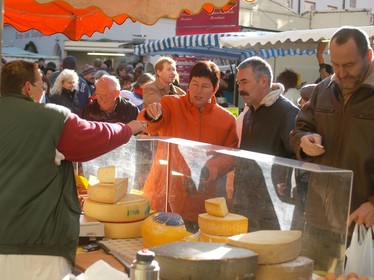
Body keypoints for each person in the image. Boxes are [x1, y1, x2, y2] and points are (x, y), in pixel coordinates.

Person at [0, 60, 147, 280]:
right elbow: (94, 135)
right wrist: (127, 129)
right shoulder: (51, 117)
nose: (44, 91)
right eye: (42, 85)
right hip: (37, 251)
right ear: (27, 88)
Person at [290, 26, 374, 271]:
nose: (340, 73)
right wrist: (304, 141)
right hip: (318, 218)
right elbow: (299, 129)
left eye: (348, 65)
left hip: (362, 223)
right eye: (335, 64)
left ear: (368, 56)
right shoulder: (322, 90)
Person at [137, 60, 238, 231]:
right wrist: (152, 113)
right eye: (194, 84)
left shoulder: (227, 120)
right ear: (188, 84)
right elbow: (147, 124)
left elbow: (231, 155)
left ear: (214, 89)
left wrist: (208, 170)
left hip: (199, 198)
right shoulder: (170, 104)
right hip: (163, 192)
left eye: (205, 86)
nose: (198, 90)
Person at [232, 56, 299, 232]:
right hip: (247, 205)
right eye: (239, 83)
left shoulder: (288, 113)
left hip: (272, 211)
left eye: (244, 82)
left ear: (264, 81)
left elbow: (297, 159)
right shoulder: (249, 112)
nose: (240, 89)